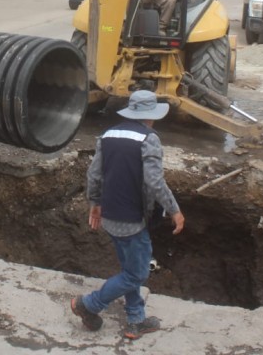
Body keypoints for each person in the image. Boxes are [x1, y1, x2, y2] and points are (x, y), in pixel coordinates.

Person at [70, 90, 185, 340]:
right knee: (137, 274)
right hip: (132, 220)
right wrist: (175, 210)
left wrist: (95, 204)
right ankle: (89, 305)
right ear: (151, 116)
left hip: (110, 215)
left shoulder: (107, 135)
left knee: (128, 267)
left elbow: (94, 175)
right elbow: (154, 181)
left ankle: (135, 320)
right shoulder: (149, 139)